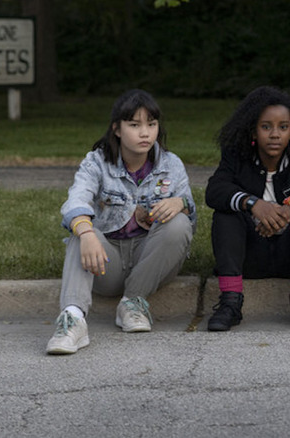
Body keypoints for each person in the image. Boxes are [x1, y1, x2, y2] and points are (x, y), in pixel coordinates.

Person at [45, 89, 196, 355]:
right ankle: (73, 320)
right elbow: (75, 201)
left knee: (179, 224)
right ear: (117, 129)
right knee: (79, 232)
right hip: (106, 261)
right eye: (134, 125)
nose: (145, 133)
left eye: (151, 124)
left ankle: (133, 303)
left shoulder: (171, 164)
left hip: (149, 260)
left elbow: (189, 225)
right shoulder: (96, 162)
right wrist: (88, 233)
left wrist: (181, 203)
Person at [205, 86, 290, 331]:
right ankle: (230, 302)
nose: (274, 134)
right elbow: (215, 190)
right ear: (253, 129)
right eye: (266, 126)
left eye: (283, 126)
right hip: (250, 255)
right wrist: (254, 204)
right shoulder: (236, 155)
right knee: (225, 215)